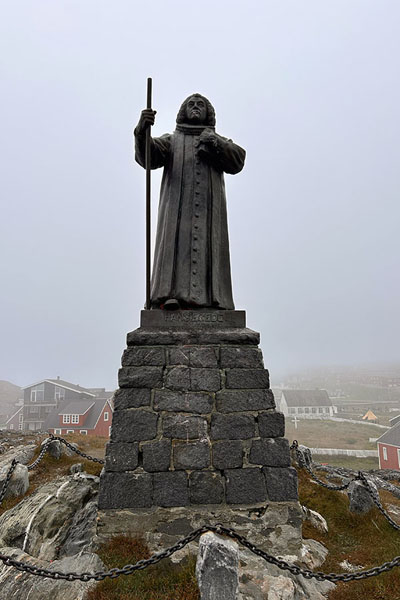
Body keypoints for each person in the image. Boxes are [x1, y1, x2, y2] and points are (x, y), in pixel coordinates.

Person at [134, 93, 245, 310]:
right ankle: (169, 296)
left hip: (208, 214)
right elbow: (148, 156)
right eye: (191, 104)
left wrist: (215, 141)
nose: (195, 107)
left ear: (208, 113)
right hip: (177, 212)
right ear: (183, 111)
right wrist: (142, 131)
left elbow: (238, 160)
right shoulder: (172, 140)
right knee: (175, 248)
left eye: (200, 105)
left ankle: (213, 300)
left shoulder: (215, 140)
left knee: (208, 249)